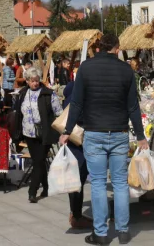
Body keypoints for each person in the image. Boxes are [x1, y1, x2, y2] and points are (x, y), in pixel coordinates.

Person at [60, 32, 148, 246]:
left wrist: (67, 130)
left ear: (99, 47)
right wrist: (140, 136)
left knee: (98, 183)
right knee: (119, 182)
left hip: (94, 132)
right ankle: (123, 231)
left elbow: (77, 103)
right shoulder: (126, 70)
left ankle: (100, 233)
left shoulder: (85, 68)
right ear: (116, 48)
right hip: (119, 132)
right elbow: (133, 107)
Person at [15, 66, 63, 203]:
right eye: (32, 81)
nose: (35, 83)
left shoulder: (48, 94)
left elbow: (58, 112)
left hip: (45, 132)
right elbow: (18, 112)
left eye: (37, 80)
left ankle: (32, 191)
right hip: (28, 132)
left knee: (38, 162)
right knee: (39, 162)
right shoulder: (23, 93)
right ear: (27, 81)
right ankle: (46, 187)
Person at [62, 78, 92, 231]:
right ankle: (76, 216)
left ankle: (75, 213)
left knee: (75, 180)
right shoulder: (77, 96)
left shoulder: (69, 94)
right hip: (77, 143)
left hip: (72, 144)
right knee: (77, 179)